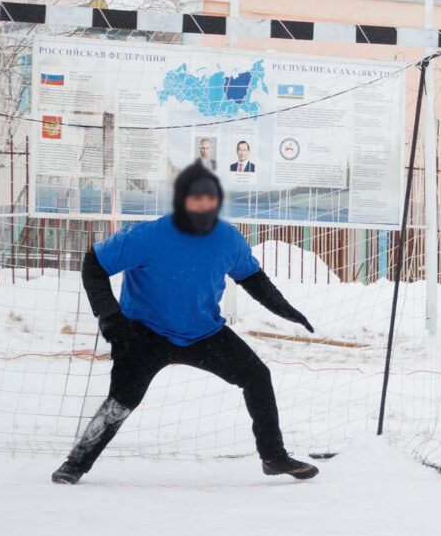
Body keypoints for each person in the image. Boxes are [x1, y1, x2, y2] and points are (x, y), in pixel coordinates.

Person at [53, 160, 320, 484]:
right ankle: (75, 464)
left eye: (210, 198)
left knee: (256, 376)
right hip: (144, 333)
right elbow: (94, 264)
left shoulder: (227, 239)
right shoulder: (148, 236)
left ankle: (273, 457)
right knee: (122, 400)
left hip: (202, 332)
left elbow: (254, 279)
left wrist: (287, 310)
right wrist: (111, 318)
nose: (204, 205)